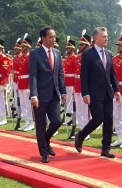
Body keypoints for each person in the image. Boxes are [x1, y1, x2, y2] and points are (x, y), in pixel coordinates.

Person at [75, 27, 120, 158]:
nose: (106, 38)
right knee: (98, 118)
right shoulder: (88, 55)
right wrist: (85, 93)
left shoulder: (108, 53)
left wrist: (116, 89)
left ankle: (105, 149)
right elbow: (84, 76)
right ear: (95, 38)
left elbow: (112, 74)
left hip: (107, 92)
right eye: (103, 36)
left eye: (107, 36)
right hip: (94, 93)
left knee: (109, 120)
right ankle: (81, 135)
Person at [29, 26, 66, 163]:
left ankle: (45, 141)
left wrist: (63, 92)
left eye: (54, 36)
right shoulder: (35, 53)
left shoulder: (57, 52)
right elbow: (32, 76)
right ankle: (44, 153)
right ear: (43, 38)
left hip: (54, 95)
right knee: (41, 124)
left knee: (57, 121)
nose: (53, 39)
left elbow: (60, 74)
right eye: (50, 37)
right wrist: (34, 95)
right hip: (39, 96)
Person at [72, 32, 92, 140]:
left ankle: (86, 132)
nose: (79, 46)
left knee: (85, 111)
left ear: (87, 45)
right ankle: (81, 129)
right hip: (77, 86)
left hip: (86, 88)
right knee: (79, 110)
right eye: (79, 44)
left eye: (81, 44)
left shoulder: (91, 57)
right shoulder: (77, 58)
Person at [17, 36, 34, 131]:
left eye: (23, 46)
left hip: (27, 83)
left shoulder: (30, 57)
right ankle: (26, 121)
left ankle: (31, 122)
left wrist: (29, 85)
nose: (21, 48)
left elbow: (32, 73)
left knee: (28, 105)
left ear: (28, 47)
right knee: (23, 105)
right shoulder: (20, 58)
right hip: (21, 83)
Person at [62, 37, 77, 126]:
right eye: (66, 48)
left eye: (68, 48)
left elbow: (76, 72)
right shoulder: (67, 58)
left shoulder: (75, 58)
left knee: (72, 102)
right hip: (66, 82)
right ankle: (69, 117)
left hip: (72, 83)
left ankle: (73, 119)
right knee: (67, 101)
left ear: (72, 49)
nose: (67, 50)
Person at [12, 39, 23, 128]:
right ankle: (19, 115)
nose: (15, 51)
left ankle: (22, 116)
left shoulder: (21, 58)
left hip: (21, 80)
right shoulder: (15, 58)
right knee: (17, 100)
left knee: (22, 101)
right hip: (16, 80)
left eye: (16, 49)